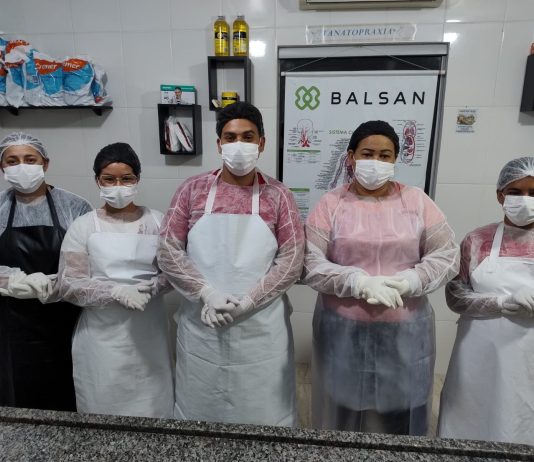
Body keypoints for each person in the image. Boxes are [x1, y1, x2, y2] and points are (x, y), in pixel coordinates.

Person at [303, 120, 459, 436]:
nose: (376, 162)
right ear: (351, 157)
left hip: (404, 332)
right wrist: (356, 282)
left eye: (385, 155)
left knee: (400, 413)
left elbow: (447, 255)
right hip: (343, 331)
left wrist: (412, 280)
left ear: (395, 159)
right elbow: (309, 261)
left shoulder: (417, 202)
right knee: (343, 415)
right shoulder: (331, 204)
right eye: (367, 154)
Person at [158, 101, 305, 426]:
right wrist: (206, 293)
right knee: (201, 412)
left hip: (260, 330)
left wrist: (249, 301)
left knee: (263, 416)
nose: (239, 145)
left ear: (261, 143)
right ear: (219, 144)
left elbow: (292, 260)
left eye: (248, 137)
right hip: (203, 325)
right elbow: (168, 249)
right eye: (230, 137)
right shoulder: (192, 191)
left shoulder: (279, 196)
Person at [56, 142, 174, 418]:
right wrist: (116, 292)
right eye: (109, 179)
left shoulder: (158, 222)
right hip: (101, 337)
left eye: (126, 178)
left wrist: (152, 287)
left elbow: (174, 271)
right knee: (102, 407)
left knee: (154, 408)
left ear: (137, 179)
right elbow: (69, 283)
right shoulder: (84, 226)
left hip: (149, 333)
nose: (118, 186)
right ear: (97, 180)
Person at [438, 157, 534, 446]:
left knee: (519, 422)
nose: (525, 200)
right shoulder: (477, 240)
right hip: (477, 357)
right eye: (515, 192)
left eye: (533, 193)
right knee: (469, 421)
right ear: (500, 195)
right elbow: (456, 295)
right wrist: (500, 303)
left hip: (527, 360)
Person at [0, 131, 92, 411]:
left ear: (45, 164)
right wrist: (15, 282)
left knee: (68, 389)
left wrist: (57, 284)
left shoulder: (75, 206)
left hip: (64, 315)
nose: (22, 166)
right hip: (10, 322)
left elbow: (90, 261)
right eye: (12, 161)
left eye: (30, 159)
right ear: (2, 167)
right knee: (18, 391)